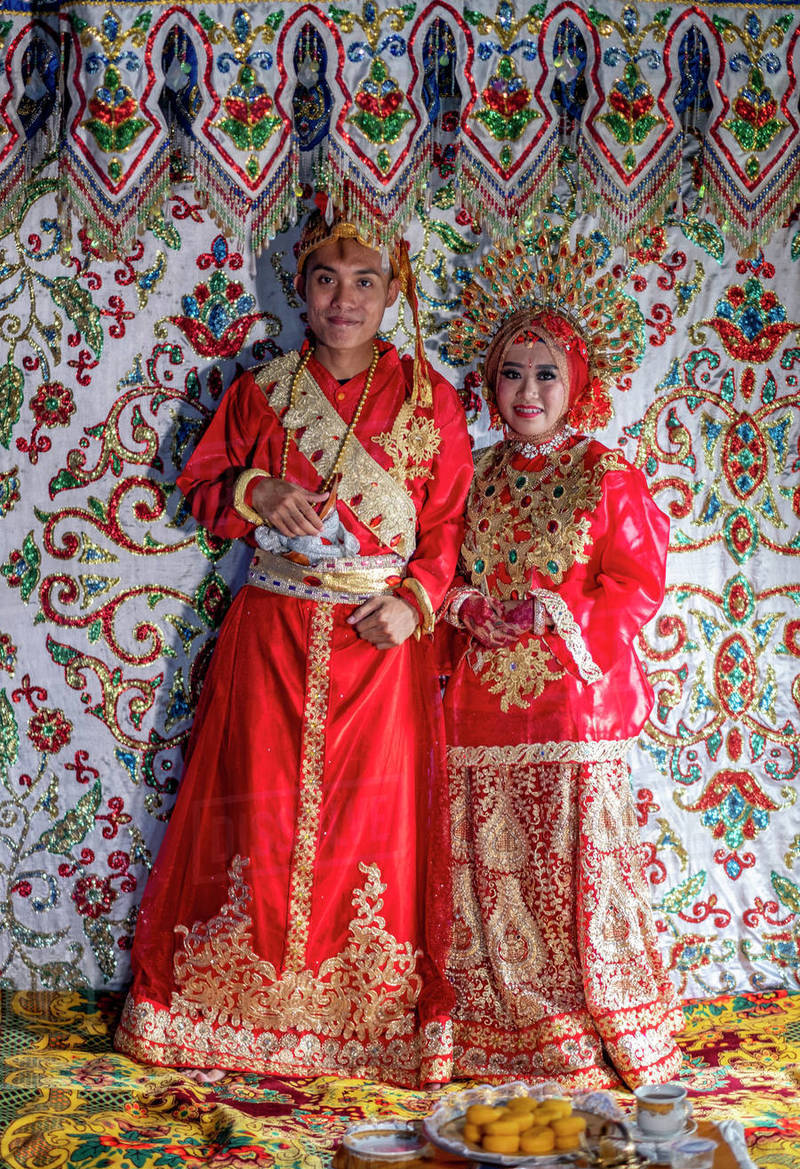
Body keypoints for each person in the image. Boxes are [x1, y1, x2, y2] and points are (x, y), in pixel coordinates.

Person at [114, 199, 473, 1088]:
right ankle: (236, 1005)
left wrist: (417, 604)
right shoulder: (260, 391)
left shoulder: (433, 398)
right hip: (270, 631)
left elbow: (451, 524)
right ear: (298, 291)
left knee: (374, 821)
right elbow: (198, 488)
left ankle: (365, 1019)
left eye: (364, 281)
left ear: (394, 292)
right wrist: (256, 488)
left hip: (380, 644)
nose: (344, 299)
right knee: (258, 809)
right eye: (326, 280)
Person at [439, 232, 683, 1090]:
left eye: (546, 374)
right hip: (476, 699)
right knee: (482, 866)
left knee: (567, 862)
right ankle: (491, 1013)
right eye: (512, 372)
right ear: (490, 384)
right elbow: (442, 572)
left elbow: (635, 583)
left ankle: (586, 1010)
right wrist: (466, 607)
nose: (528, 390)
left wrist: (552, 611)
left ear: (577, 383)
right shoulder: (472, 474)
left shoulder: (607, 475)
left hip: (572, 702)